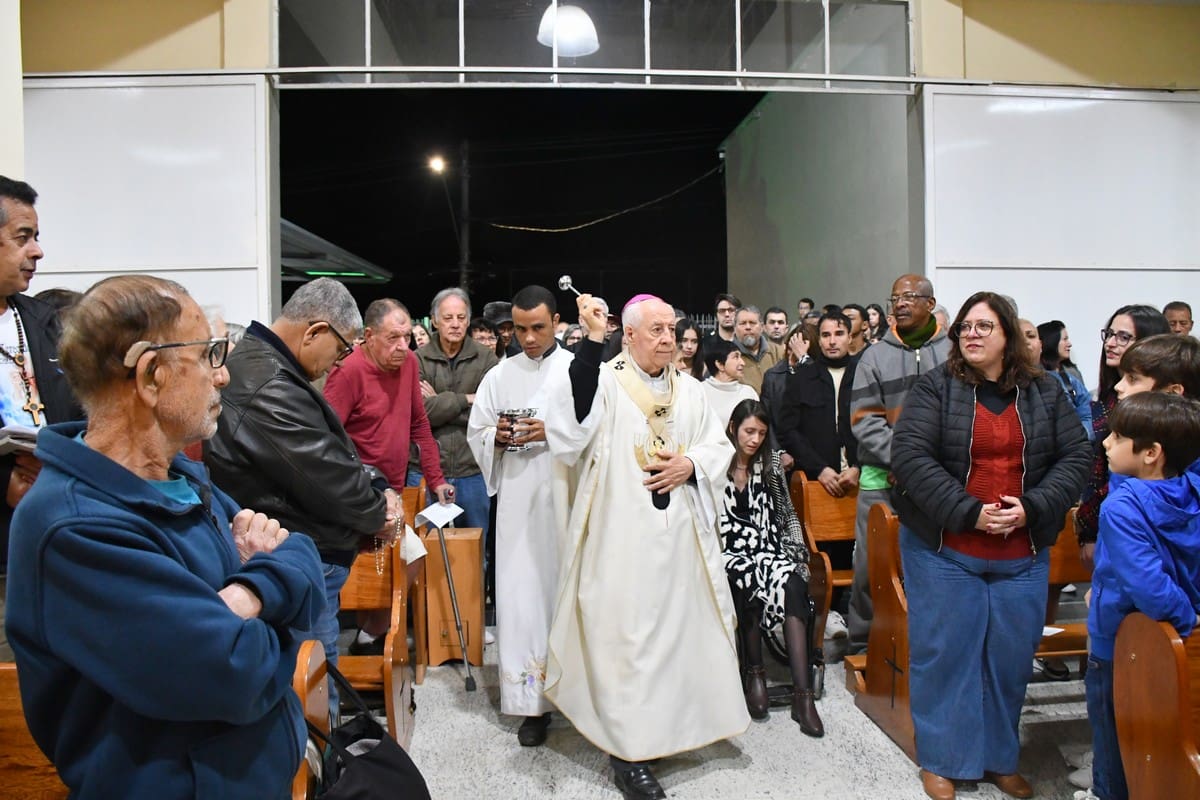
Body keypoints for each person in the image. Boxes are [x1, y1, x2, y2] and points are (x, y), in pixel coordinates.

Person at [8, 275, 325, 799]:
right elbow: (232, 675)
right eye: (208, 355)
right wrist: (279, 604)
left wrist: (249, 593)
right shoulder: (73, 526)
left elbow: (302, 554)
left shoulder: (181, 479)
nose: (223, 375)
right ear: (152, 376)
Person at [543, 292, 748, 800]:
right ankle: (629, 754)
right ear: (628, 335)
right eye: (655, 330)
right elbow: (571, 428)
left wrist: (690, 465)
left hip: (680, 543)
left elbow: (717, 446)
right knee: (629, 644)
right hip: (622, 539)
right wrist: (591, 341)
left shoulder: (691, 391)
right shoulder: (605, 380)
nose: (667, 339)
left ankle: (668, 733)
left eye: (671, 330)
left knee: (677, 639)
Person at [891, 291, 1091, 800]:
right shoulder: (935, 388)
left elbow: (1075, 457)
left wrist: (1033, 507)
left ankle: (999, 757)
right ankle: (943, 760)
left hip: (1021, 550)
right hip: (945, 546)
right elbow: (911, 458)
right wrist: (970, 512)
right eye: (965, 327)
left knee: (1010, 658)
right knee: (946, 654)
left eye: (984, 326)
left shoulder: (1044, 391)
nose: (972, 334)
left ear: (1008, 335)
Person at [205, 277, 402, 717]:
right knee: (311, 686)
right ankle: (319, 759)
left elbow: (329, 455)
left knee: (312, 676)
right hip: (298, 552)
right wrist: (378, 512)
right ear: (315, 331)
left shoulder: (270, 367)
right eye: (342, 348)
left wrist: (375, 486)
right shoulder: (268, 381)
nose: (339, 361)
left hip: (298, 548)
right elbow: (328, 477)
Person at [1080, 392, 1200, 800]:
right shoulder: (1190, 489)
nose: (1106, 442)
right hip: (1176, 640)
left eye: (1117, 436)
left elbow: (1150, 585)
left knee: (1115, 743)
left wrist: (1185, 617)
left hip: (1120, 641)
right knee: (1158, 743)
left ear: (1151, 453)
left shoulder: (1122, 506)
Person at [467, 285, 573, 747]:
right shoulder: (499, 376)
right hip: (517, 504)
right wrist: (497, 437)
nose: (528, 338)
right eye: (520, 329)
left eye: (538, 328)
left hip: (565, 501)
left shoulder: (576, 370)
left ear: (556, 323)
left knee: (566, 595)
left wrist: (551, 432)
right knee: (523, 597)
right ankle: (533, 704)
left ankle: (579, 697)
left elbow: (595, 431)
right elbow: (477, 430)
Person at [323, 298, 453, 654]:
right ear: (368, 336)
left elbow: (419, 423)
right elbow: (327, 441)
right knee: (360, 571)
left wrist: (437, 478)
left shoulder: (409, 363)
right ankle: (356, 639)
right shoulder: (348, 371)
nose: (402, 346)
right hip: (356, 492)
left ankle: (370, 634)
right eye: (393, 338)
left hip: (392, 488)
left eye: (407, 337)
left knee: (409, 557)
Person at [0, 176, 84, 663]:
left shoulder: (44, 322)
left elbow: (82, 413)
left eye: (36, 236)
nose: (37, 251)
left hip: (57, 538)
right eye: (23, 237)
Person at [845, 274, 951, 655]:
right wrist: (905, 459)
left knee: (935, 564)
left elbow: (960, 417)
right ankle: (862, 646)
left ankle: (928, 645)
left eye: (909, 297)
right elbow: (864, 420)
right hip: (882, 479)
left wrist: (924, 466)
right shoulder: (875, 357)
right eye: (895, 298)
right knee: (870, 566)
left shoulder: (953, 353)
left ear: (930, 303)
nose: (900, 304)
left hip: (939, 480)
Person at [719, 399, 823, 736]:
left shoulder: (770, 465)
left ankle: (803, 696)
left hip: (766, 549)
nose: (755, 439)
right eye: (749, 431)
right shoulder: (714, 463)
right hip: (728, 553)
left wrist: (797, 554)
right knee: (745, 580)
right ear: (733, 428)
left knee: (793, 584)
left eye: (761, 433)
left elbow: (786, 512)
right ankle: (755, 672)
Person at [1075, 305, 1170, 565]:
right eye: (1109, 334)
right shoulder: (1105, 400)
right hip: (1104, 520)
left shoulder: (1160, 413)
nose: (1111, 343)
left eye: (1124, 337)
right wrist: (1088, 530)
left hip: (1142, 524)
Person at [412, 287, 499, 545]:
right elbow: (418, 414)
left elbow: (490, 414)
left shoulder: (486, 359)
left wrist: (439, 402)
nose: (455, 324)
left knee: (474, 551)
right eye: (448, 318)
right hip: (424, 470)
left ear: (468, 320)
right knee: (422, 549)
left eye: (461, 318)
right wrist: (466, 400)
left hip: (472, 469)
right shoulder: (417, 359)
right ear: (434, 320)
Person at [778, 311, 859, 497]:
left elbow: (874, 425)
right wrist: (820, 469)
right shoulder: (802, 377)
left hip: (860, 477)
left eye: (839, 334)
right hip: (815, 478)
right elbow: (788, 430)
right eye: (826, 335)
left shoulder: (865, 374)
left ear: (850, 337)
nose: (832, 341)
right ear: (819, 340)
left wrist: (858, 467)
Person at [1037, 320, 1093, 440]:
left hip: (1081, 436)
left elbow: (1086, 408)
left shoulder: (1072, 373)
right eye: (1065, 339)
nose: (1069, 344)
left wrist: (1083, 434)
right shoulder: (1036, 374)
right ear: (1051, 341)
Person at [701, 337, 759, 428]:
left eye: (741, 357)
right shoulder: (700, 391)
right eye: (736, 357)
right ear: (720, 364)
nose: (743, 363)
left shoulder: (748, 392)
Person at [733, 305, 784, 393]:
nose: (748, 327)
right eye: (743, 323)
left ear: (762, 327)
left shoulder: (778, 352)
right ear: (734, 328)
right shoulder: (728, 355)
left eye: (752, 323)